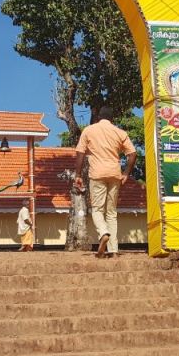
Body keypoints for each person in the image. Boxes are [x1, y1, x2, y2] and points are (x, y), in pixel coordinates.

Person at [74, 106, 136, 258]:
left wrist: (78, 175)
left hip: (97, 174)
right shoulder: (120, 132)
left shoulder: (89, 130)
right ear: (112, 119)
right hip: (115, 174)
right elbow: (133, 154)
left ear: (97, 117)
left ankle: (103, 233)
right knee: (111, 212)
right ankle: (113, 250)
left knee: (97, 209)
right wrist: (126, 173)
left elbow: (80, 153)